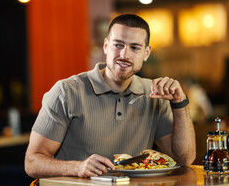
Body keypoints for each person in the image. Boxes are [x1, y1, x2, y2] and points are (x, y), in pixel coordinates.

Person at [25, 14, 196, 179]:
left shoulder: (154, 95)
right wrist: (78, 167)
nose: (124, 55)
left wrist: (179, 103)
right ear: (106, 45)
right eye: (118, 45)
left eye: (134, 48)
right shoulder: (66, 91)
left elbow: (184, 160)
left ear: (146, 53)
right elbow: (32, 162)